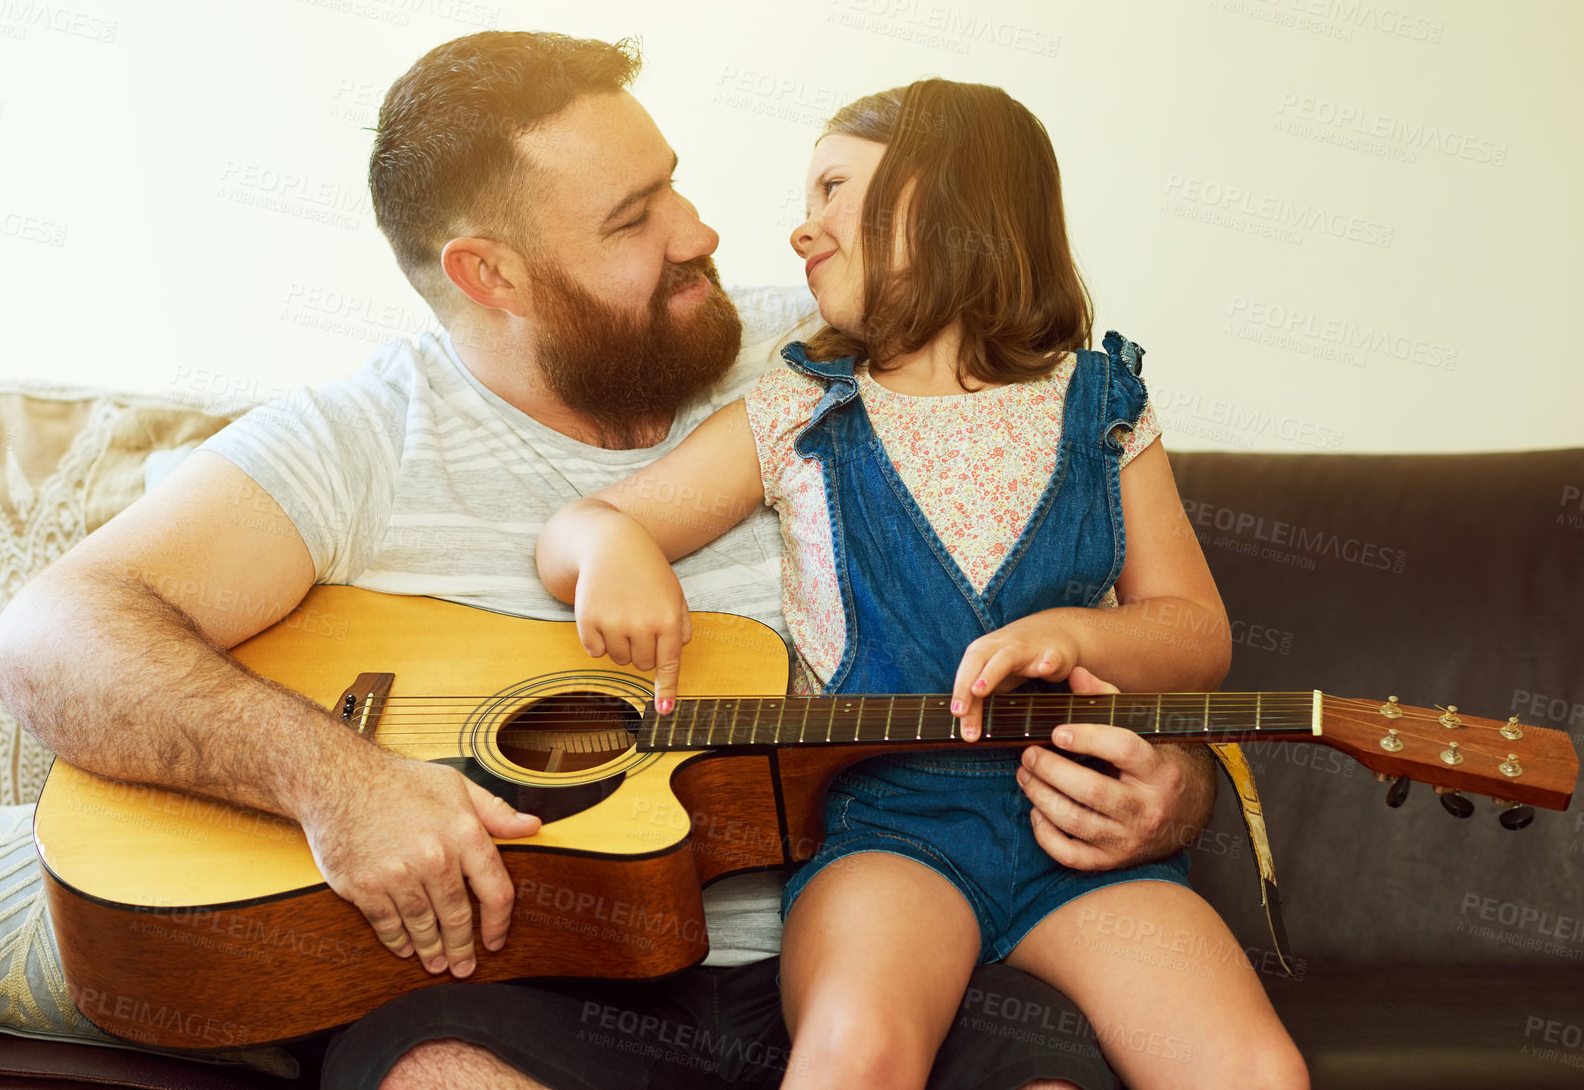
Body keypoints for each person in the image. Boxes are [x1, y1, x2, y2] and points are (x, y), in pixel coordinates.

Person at [0, 33, 1222, 1090]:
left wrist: (1171, 785)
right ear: (492, 274)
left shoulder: (835, 347)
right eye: (636, 218)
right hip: (528, 986)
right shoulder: (355, 440)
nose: (705, 231)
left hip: (886, 922)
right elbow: (46, 638)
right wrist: (337, 782)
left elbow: (1083, 579)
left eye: (672, 183)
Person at [535, 80, 1309, 1089]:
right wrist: (608, 547)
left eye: (831, 190)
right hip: (887, 833)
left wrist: (1079, 636)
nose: (800, 229)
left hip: (1080, 838)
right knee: (857, 1051)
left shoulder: (1103, 406)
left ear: (944, 199)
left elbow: (1197, 632)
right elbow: (581, 525)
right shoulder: (798, 410)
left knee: (1253, 1066)